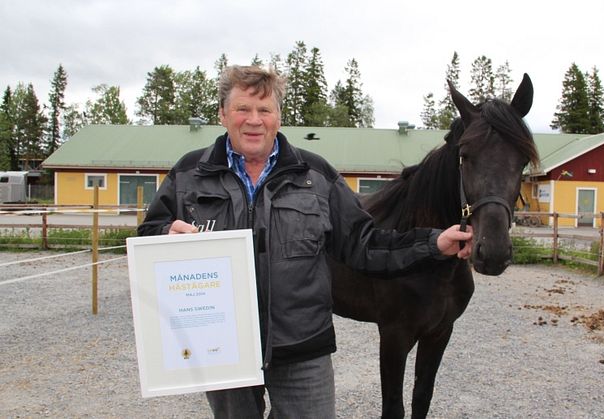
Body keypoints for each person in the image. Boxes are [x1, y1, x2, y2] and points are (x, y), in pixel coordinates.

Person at [137, 65, 473, 418]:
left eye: (264, 110)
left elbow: (365, 244)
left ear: (278, 118)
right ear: (222, 114)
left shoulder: (315, 175)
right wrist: (163, 236)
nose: (254, 120)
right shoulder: (190, 173)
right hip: (225, 348)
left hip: (301, 350)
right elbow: (148, 235)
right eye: (242, 109)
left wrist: (434, 243)